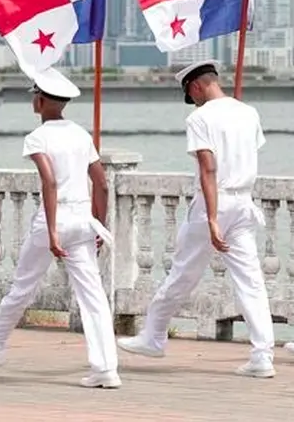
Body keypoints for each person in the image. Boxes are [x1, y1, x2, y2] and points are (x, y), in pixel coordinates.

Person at [117, 59, 275, 378]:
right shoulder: (249, 112)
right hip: (244, 202)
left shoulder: (200, 118)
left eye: (192, 93)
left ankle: (154, 336)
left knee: (182, 274)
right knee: (251, 281)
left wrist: (213, 218)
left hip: (213, 205)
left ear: (196, 86)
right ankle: (262, 355)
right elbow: (248, 155)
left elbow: (208, 168)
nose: (193, 99)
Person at [0, 67, 120, 389]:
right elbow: (102, 184)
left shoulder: (38, 137)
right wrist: (100, 222)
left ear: (40, 101)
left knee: (22, 287)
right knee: (93, 296)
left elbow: (50, 181)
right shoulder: (81, 135)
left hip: (53, 221)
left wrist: (53, 232)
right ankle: (106, 368)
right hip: (83, 219)